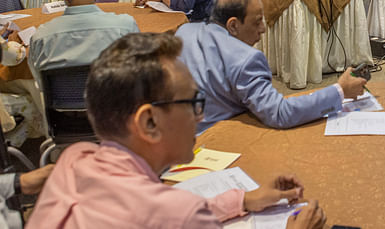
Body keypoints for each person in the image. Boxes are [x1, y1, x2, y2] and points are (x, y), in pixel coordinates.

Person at [26, 32, 326, 229]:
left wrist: (244, 200)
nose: (201, 115)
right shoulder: (180, 215)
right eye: (193, 102)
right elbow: (173, 215)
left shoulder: (74, 159)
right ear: (150, 123)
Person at [176, 0, 367, 133]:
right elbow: (279, 113)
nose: (263, 29)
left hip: (172, 135)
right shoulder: (246, 59)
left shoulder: (184, 32)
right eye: (257, 21)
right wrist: (341, 90)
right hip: (213, 142)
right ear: (233, 25)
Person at [28, 0, 139, 93]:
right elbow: (137, 75)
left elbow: (41, 84)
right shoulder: (125, 26)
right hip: (116, 111)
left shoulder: (41, 38)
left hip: (62, 113)